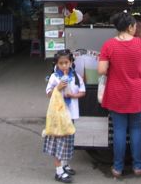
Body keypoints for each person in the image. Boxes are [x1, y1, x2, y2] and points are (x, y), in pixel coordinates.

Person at [98, 11, 141, 178]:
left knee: (119, 130)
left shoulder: (108, 45)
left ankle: (117, 168)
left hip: (117, 91)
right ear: (130, 27)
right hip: (137, 92)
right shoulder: (140, 44)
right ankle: (138, 167)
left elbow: (102, 70)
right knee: (136, 128)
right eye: (134, 26)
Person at [43, 49, 86, 183]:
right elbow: (49, 93)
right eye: (61, 63)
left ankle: (65, 164)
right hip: (58, 116)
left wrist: (73, 95)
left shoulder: (76, 77)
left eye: (66, 62)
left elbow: (82, 92)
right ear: (56, 64)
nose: (64, 66)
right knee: (59, 143)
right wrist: (58, 88)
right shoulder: (55, 77)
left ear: (71, 62)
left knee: (68, 142)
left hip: (71, 114)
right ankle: (59, 171)